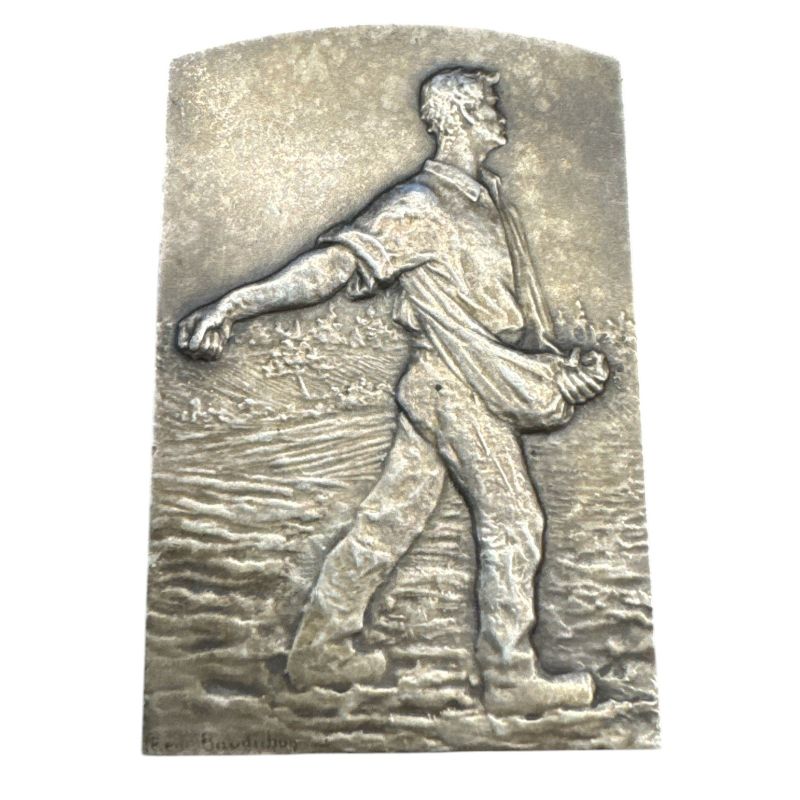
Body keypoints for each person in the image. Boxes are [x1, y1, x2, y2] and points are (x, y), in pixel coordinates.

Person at [177, 67, 609, 715]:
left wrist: (553, 367)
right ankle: (510, 676)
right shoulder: (420, 205)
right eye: (489, 103)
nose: (501, 113)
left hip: (465, 379)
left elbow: (501, 314)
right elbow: (332, 268)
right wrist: (235, 305)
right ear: (458, 116)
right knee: (515, 521)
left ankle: (318, 651)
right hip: (455, 387)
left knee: (389, 520)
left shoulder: (485, 199)